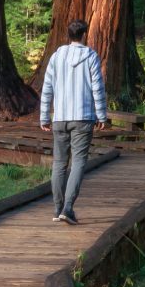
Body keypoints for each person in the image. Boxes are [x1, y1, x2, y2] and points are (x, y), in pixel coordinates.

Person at [39, 19, 109, 225]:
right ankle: (68, 208)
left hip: (60, 118)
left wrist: (44, 116)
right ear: (84, 35)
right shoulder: (91, 56)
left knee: (59, 163)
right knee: (78, 162)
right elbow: (97, 87)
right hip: (83, 117)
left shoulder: (56, 57)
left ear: (68, 35)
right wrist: (101, 115)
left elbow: (47, 88)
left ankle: (57, 208)